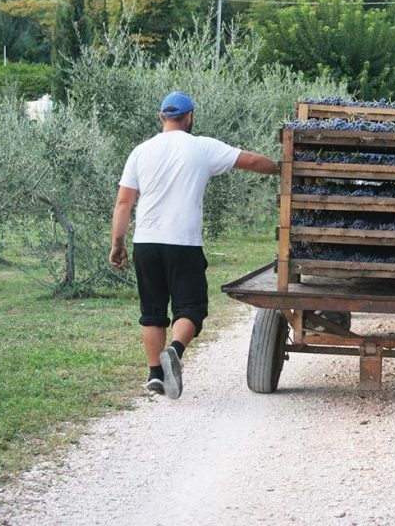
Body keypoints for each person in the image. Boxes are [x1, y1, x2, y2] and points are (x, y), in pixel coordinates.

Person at [108, 91, 279, 400]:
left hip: (145, 242)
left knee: (152, 311)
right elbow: (253, 161)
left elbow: (123, 202)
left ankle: (155, 376)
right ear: (190, 118)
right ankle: (174, 350)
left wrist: (117, 243)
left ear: (161, 117)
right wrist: (281, 168)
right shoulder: (202, 147)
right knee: (191, 308)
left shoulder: (140, 152)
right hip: (183, 243)